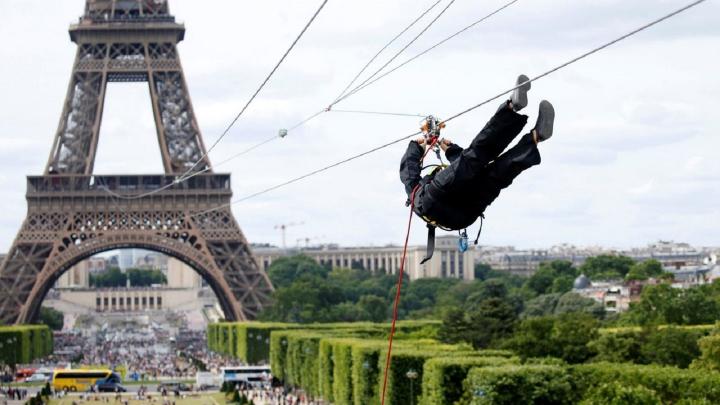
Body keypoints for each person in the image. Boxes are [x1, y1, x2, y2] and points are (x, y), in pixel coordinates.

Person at [400, 74, 555, 232]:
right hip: (435, 201)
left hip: (463, 217)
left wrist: (437, 150)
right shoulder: (415, 191)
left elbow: (462, 171)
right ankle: (512, 107)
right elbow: (409, 174)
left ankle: (536, 137)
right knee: (474, 158)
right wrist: (419, 147)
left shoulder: (419, 194)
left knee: (495, 177)